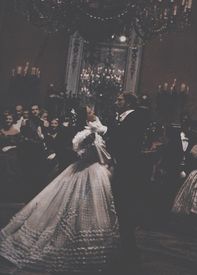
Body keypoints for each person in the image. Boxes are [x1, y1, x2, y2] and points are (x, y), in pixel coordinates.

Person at [0, 106, 119, 273]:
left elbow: (104, 153)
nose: (91, 114)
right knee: (68, 205)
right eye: (89, 112)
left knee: (92, 208)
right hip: (84, 169)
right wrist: (90, 145)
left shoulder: (99, 132)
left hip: (94, 171)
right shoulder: (83, 134)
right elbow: (81, 152)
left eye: (92, 111)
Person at [108, 92, 149, 271]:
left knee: (125, 209)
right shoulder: (123, 118)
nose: (116, 102)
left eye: (119, 100)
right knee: (122, 209)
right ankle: (127, 249)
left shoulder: (135, 117)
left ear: (129, 103)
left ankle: (129, 253)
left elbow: (128, 143)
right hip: (122, 167)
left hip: (128, 170)